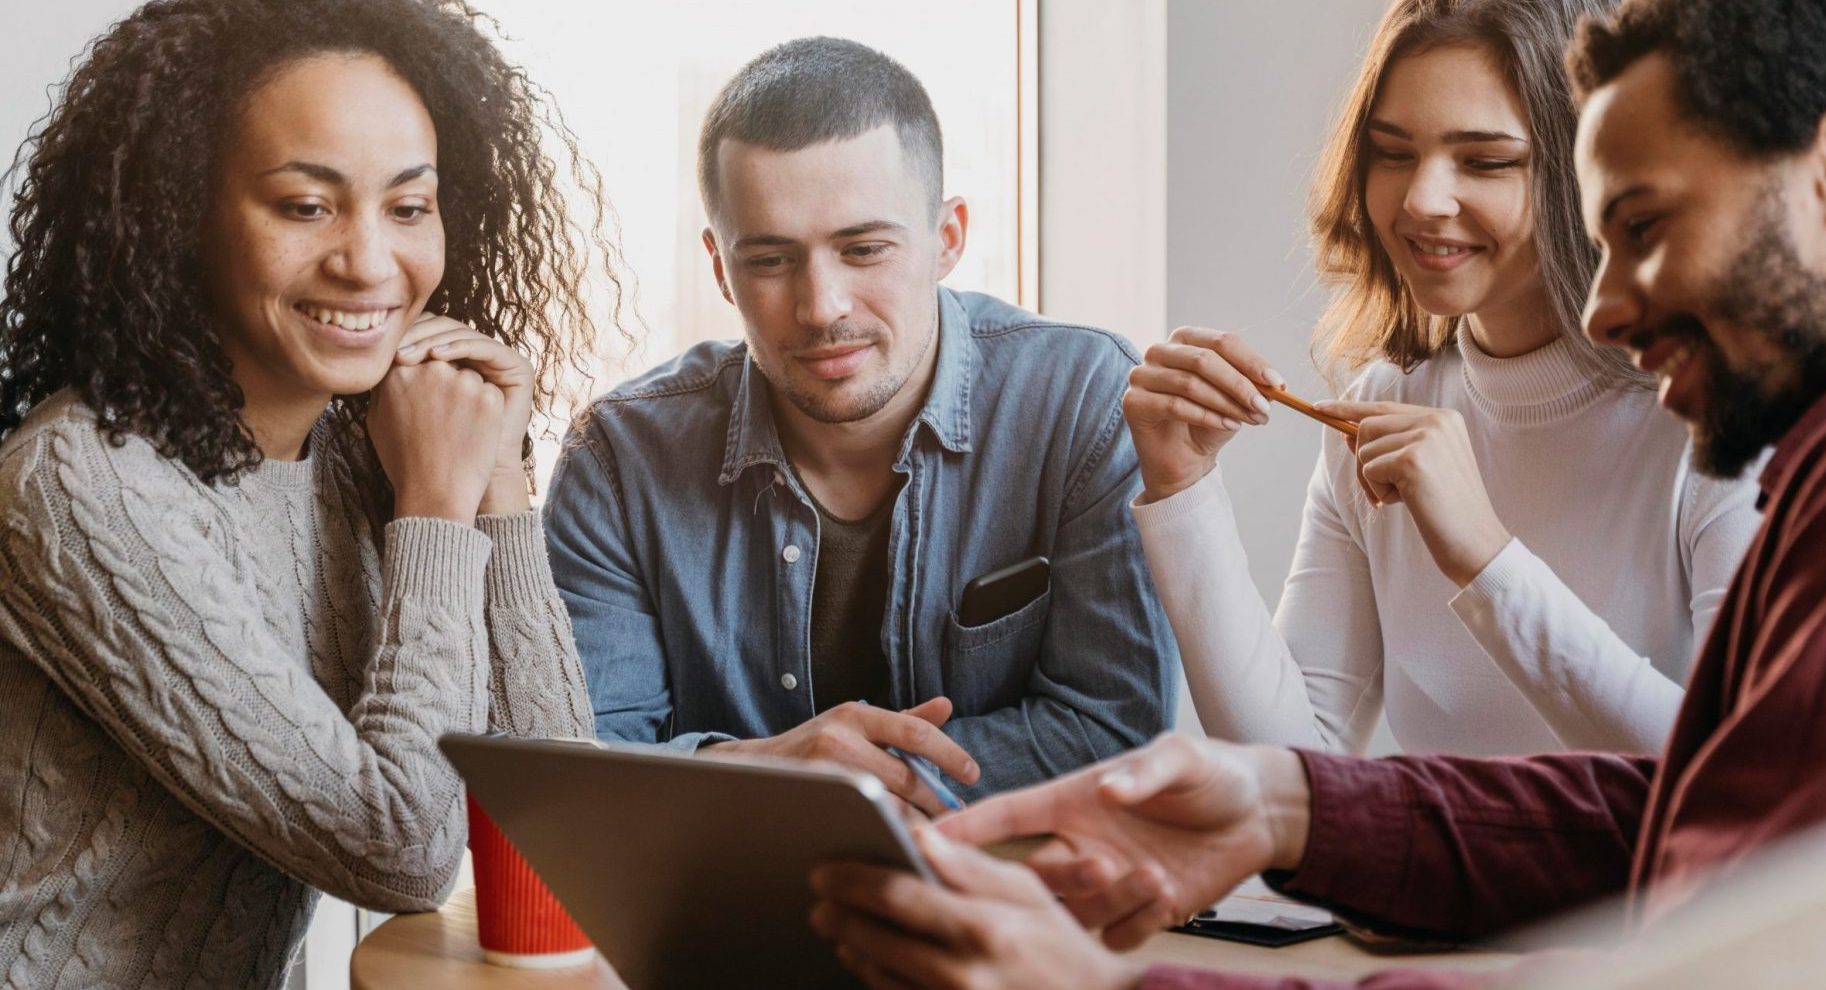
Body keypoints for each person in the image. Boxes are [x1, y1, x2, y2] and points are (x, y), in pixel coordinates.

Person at [808, 0, 1826, 986]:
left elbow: (1734, 919)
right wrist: (1289, 805)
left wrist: (1113, 986)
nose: (1611, 304)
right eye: (1394, 149)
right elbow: (1692, 817)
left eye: (1643, 223)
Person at [0, 0, 620, 985]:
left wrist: (493, 470)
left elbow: (562, 819)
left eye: (409, 206)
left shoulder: (369, 440)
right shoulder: (81, 485)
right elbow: (402, 855)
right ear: (177, 212)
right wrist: (433, 508)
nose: (370, 262)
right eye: (305, 205)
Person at [543, 37, 1178, 810]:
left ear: (948, 238)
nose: (822, 307)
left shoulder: (1082, 399)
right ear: (719, 266)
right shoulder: (619, 457)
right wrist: (777, 767)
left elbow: (1116, 734)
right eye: (771, 261)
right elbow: (587, 764)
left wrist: (836, 778)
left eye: (865, 248)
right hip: (713, 914)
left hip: (1012, 907)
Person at [1123, 0, 1761, 756]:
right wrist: (1184, 491)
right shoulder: (1381, 408)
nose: (1421, 201)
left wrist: (1486, 557)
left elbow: (1732, 770)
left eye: (1486, 160)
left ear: (1592, 174)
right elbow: (1293, 766)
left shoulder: (1719, 420)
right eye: (1392, 153)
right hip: (1432, 878)